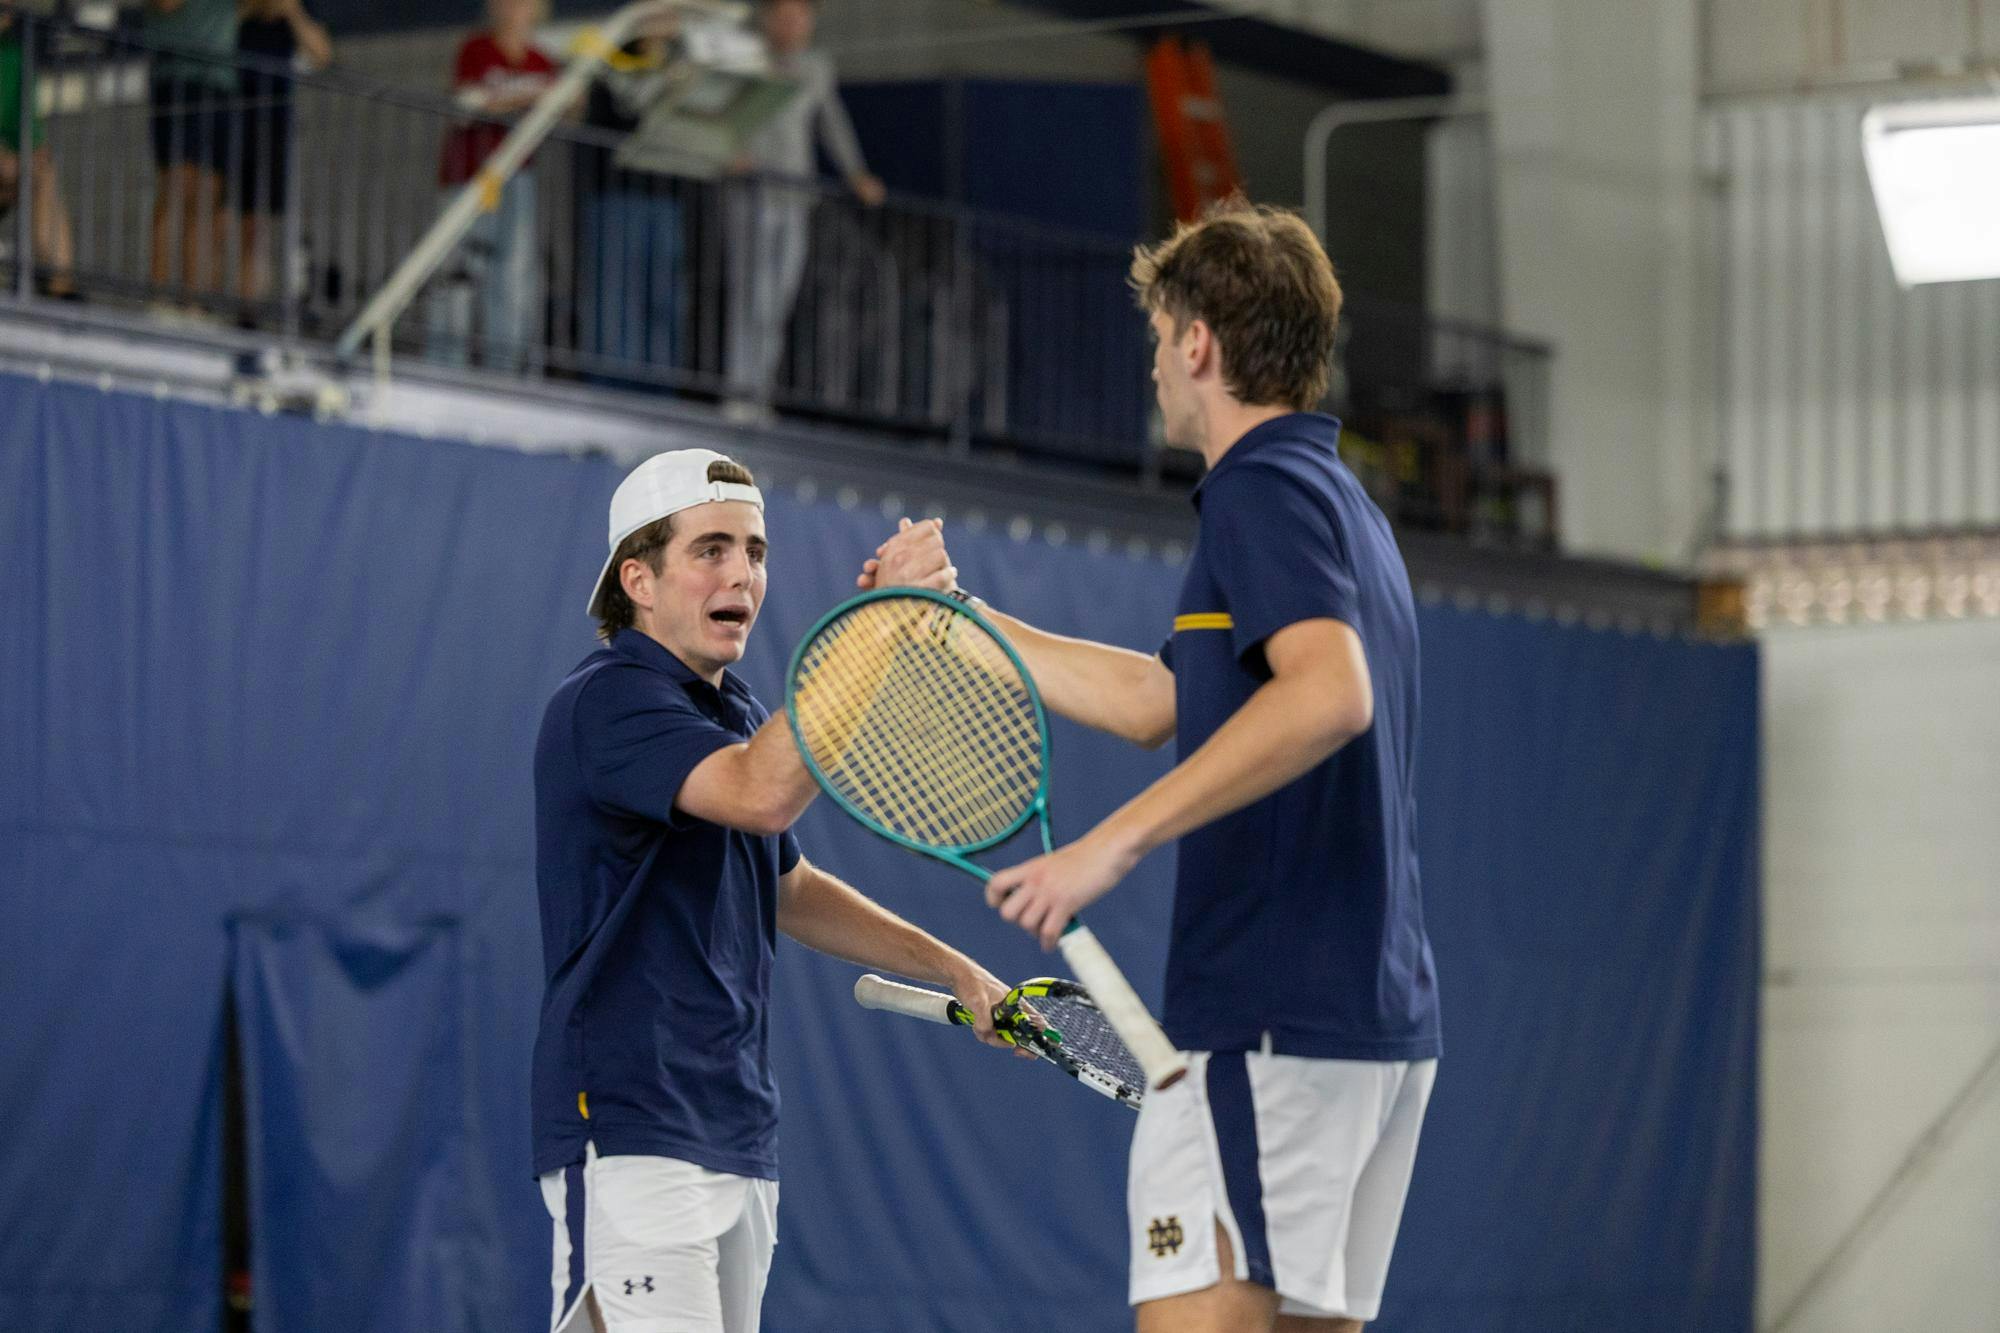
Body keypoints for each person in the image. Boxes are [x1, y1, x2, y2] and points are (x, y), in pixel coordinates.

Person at [865, 201, 1441, 1332]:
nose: (1154, 367)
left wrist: (1107, 846)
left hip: (1270, 1017)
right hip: (1370, 1026)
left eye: (1159, 338)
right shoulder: (1344, 508)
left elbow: (1329, 692)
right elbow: (1160, 703)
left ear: (1198, 344)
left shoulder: (1258, 489)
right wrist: (950, 615)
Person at [534, 448, 1019, 1333]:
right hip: (632, 1124)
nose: (742, 574)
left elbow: (788, 886)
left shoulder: (739, 715)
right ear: (638, 580)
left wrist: (953, 966)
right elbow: (761, 793)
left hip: (737, 1129)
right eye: (710, 549)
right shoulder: (607, 700)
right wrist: (879, 622)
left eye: (754, 551)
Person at [722, 0, 884, 421]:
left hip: (796, 198)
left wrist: (856, 173)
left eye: (801, 18)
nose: (794, 25)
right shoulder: (745, 57)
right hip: (753, 193)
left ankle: (759, 393)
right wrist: (728, 151)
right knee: (752, 296)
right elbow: (721, 110)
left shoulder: (816, 67)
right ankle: (738, 391)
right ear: (767, 20)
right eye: (785, 17)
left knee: (780, 299)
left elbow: (832, 123)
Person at [427, 0, 556, 373]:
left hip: (518, 177)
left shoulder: (541, 59)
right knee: (458, 270)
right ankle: (445, 364)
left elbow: (566, 106)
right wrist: (528, 96)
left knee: (512, 273)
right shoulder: (476, 48)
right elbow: (468, 103)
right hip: (469, 175)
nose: (515, 8)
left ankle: (505, 367)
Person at [576, 23, 685, 385]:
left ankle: (659, 390)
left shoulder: (684, 64)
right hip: (616, 193)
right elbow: (612, 114)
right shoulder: (611, 61)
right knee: (614, 297)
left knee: (665, 299)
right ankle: (609, 388)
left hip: (667, 195)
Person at [229, 0, 331, 308]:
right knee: (231, 221)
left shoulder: (290, 14)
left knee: (262, 225)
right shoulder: (238, 14)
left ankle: (253, 307)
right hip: (233, 121)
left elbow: (322, 55)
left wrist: (293, 12)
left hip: (274, 127)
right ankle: (223, 304)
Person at [145, 0, 237, 301]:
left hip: (220, 88)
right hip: (179, 80)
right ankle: (158, 299)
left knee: (206, 197)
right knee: (176, 189)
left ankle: (194, 302)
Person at [0, 12, 74, 298]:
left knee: (44, 173)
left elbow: (31, 133)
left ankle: (60, 287)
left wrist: (32, 156)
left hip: (9, 166)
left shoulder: (14, 54)